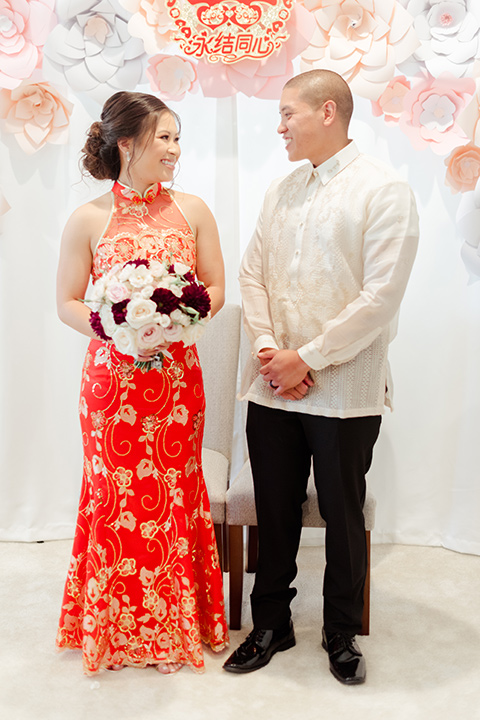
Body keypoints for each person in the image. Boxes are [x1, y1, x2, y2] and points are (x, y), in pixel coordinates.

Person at [223, 70, 419, 684]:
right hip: (273, 384)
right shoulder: (281, 190)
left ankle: (339, 630)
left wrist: (305, 357)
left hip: (344, 390)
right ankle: (271, 624)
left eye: (287, 113)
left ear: (327, 111)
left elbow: (380, 297)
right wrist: (266, 346)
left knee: (342, 512)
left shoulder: (384, 190)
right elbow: (252, 275)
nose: (278, 126)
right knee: (276, 511)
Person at [55, 91, 229, 675]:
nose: (176, 150)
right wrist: (115, 326)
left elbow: (216, 291)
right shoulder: (87, 219)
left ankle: (178, 621)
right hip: (112, 386)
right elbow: (66, 303)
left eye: (178, 138)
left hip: (177, 383)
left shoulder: (194, 211)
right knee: (114, 498)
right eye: (166, 138)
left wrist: (179, 320)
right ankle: (116, 626)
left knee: (175, 494)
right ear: (126, 144)